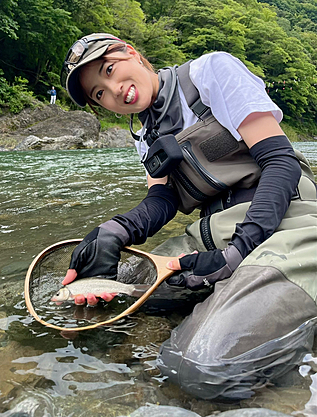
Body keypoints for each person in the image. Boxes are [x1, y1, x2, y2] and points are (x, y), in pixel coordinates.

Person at [60, 33, 317, 399]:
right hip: (215, 230)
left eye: (110, 70)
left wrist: (237, 254)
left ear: (131, 53)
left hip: (291, 218)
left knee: (201, 367)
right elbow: (162, 200)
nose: (113, 90)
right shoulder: (144, 134)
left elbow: (280, 162)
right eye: (99, 93)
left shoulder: (211, 72)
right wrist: (114, 231)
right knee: (104, 293)